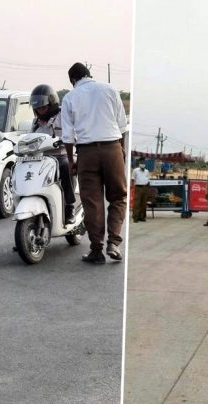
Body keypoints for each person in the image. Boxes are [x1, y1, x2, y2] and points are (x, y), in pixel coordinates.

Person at [61, 62, 128, 264]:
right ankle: (113, 243)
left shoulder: (70, 97)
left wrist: (71, 160)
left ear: (73, 80)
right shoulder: (109, 89)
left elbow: (67, 136)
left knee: (92, 202)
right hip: (112, 148)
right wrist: (121, 149)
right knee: (118, 196)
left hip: (86, 152)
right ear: (89, 74)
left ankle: (96, 250)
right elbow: (122, 125)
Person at [30, 83, 76, 224]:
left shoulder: (63, 116)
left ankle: (70, 206)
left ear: (52, 104)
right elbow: (30, 138)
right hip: (42, 158)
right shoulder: (36, 123)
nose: (40, 111)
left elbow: (74, 133)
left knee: (65, 166)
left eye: (43, 107)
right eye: (37, 108)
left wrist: (65, 140)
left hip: (63, 155)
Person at [132, 157, 151, 223]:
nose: (143, 164)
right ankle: (135, 218)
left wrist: (148, 188)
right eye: (141, 162)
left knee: (143, 203)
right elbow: (133, 179)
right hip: (138, 188)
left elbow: (148, 180)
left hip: (145, 188)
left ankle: (142, 217)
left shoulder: (147, 171)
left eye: (143, 162)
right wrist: (133, 187)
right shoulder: (135, 170)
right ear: (139, 163)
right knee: (137, 203)